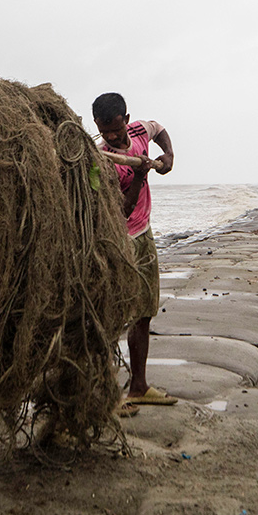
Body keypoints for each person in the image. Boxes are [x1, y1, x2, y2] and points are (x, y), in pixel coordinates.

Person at [92, 92, 177, 409]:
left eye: (116, 129)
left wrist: (168, 156)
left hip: (144, 235)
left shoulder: (141, 131)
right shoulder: (103, 161)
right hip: (118, 241)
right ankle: (103, 395)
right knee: (112, 317)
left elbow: (160, 130)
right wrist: (139, 177)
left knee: (143, 313)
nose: (112, 137)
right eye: (105, 131)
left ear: (126, 121)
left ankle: (138, 386)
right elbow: (120, 212)